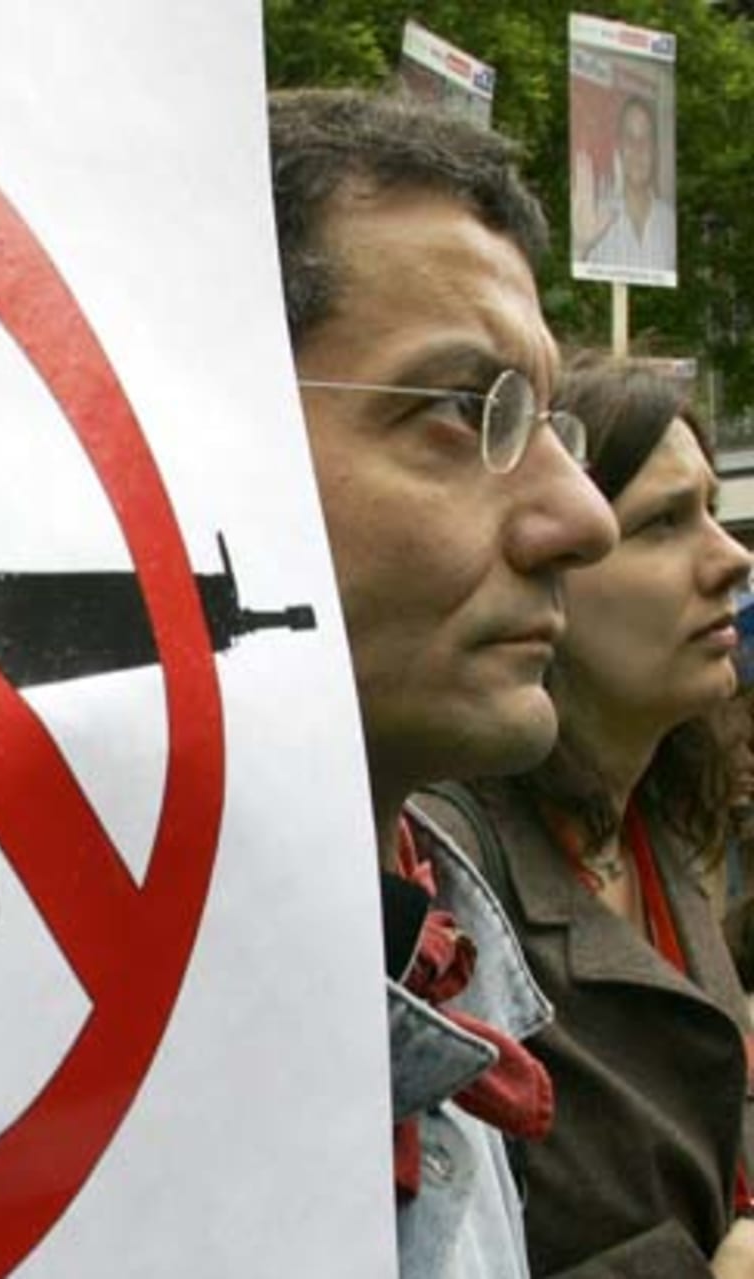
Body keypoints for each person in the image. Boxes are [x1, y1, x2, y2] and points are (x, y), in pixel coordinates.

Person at [270, 88, 620, 1278]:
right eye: (467, 410)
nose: (583, 517)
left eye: (548, 419)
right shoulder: (2, 1064)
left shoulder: (449, 968)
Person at [416, 358, 754, 1277]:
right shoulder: (448, 874)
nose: (731, 557)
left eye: (714, 513)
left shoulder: (662, 825)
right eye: (663, 524)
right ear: (550, 561)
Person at [573, 93, 676, 275]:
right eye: (630, 137)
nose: (638, 147)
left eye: (646, 137)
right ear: (618, 146)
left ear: (655, 150)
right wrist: (580, 247)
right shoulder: (595, 219)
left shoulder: (670, 223)